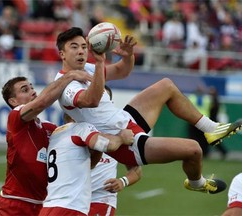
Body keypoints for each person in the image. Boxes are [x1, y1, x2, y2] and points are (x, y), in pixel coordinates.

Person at [55, 27, 242, 194]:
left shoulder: (86, 67)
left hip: (124, 120)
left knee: (166, 86)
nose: (81, 51)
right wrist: (99, 63)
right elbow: (92, 100)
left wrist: (128, 56)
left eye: (83, 46)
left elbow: (122, 71)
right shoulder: (65, 85)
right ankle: (197, 183)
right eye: (74, 47)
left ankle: (211, 129)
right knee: (194, 150)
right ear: (62, 54)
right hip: (125, 141)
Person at [0, 72, 92, 216]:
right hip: (14, 204)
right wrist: (69, 76)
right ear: (13, 101)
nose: (32, 91)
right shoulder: (15, 118)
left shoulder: (50, 128)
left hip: (44, 205)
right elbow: (41, 103)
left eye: (32, 87)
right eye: (24, 90)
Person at [39, 115, 134, 216]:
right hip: (71, 206)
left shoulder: (56, 134)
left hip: (51, 205)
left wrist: (123, 181)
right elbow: (107, 145)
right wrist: (122, 138)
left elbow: (90, 164)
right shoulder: (82, 129)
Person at [89, 85, 142, 216]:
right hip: (74, 198)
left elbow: (136, 170)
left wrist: (122, 181)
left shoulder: (120, 134)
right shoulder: (79, 128)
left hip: (101, 199)